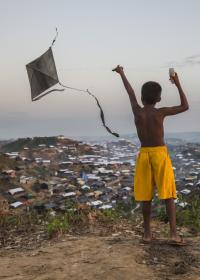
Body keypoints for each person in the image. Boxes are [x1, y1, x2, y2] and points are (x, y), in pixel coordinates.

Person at [113, 65, 189, 245]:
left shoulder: (137, 111)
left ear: (142, 97)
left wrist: (122, 73)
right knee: (168, 195)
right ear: (159, 98)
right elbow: (185, 106)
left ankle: (147, 234)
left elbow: (129, 92)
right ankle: (173, 235)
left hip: (144, 154)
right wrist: (177, 83)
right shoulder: (160, 112)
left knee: (145, 195)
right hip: (159, 155)